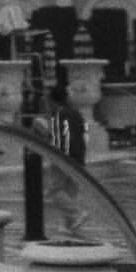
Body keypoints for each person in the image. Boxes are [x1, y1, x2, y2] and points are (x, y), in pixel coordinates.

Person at [37, 81, 89, 237]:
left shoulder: (60, 114)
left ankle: (76, 213)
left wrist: (51, 142)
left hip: (64, 156)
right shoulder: (75, 113)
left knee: (54, 190)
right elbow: (81, 134)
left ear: (53, 100)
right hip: (78, 156)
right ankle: (70, 225)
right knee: (69, 191)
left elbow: (63, 137)